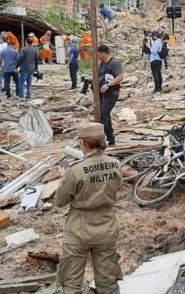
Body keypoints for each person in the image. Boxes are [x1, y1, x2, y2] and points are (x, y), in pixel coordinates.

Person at [54, 123, 123, 294]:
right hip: (106, 227)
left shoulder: (74, 170)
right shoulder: (115, 164)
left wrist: (62, 178)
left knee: (71, 284)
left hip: (79, 230)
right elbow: (117, 187)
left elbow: (60, 201)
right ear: (103, 140)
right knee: (108, 283)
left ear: (82, 143)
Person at [97, 45, 123, 146]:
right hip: (102, 94)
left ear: (103, 53)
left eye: (98, 54)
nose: (97, 56)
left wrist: (108, 85)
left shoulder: (114, 63)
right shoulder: (102, 64)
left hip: (112, 93)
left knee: (104, 113)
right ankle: (106, 138)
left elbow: (120, 77)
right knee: (102, 115)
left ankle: (109, 138)